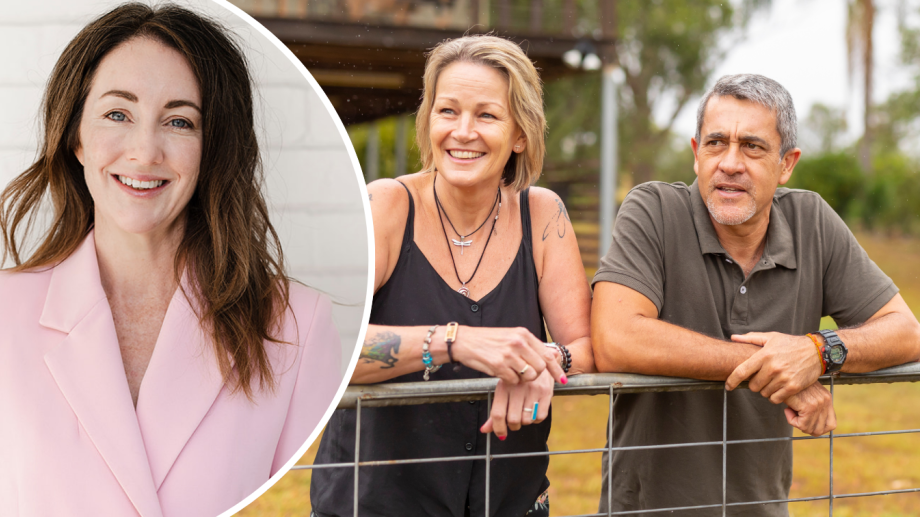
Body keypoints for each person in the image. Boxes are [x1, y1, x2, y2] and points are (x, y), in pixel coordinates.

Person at [0, 4, 343, 516]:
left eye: (180, 122)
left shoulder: (298, 323)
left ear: (214, 148)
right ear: (75, 134)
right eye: (118, 114)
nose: (145, 151)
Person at [591, 73, 920, 516]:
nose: (730, 162)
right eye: (715, 143)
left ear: (787, 163)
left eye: (752, 146)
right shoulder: (653, 210)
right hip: (644, 509)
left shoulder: (812, 221)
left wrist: (818, 352)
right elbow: (616, 338)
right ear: (695, 154)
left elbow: (906, 331)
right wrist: (775, 369)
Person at [310, 34, 596, 517]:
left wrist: (540, 362)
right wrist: (454, 342)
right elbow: (324, 348)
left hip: (510, 503)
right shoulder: (386, 206)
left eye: (486, 115)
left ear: (520, 134)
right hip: (374, 504)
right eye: (447, 112)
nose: (463, 131)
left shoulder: (543, 214)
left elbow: (587, 347)